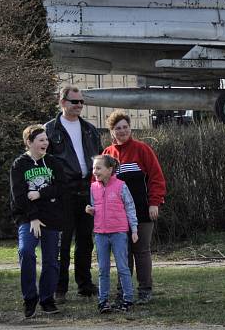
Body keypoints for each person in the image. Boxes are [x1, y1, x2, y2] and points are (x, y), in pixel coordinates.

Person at [45, 85, 102, 301]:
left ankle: (84, 285)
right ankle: (60, 288)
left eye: (81, 102)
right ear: (62, 102)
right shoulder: (49, 130)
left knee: (86, 240)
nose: (78, 106)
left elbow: (99, 159)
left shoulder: (89, 129)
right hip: (62, 192)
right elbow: (44, 162)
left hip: (87, 189)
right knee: (63, 240)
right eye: (74, 102)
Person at [103, 110, 166, 305]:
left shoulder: (142, 149)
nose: (122, 131)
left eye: (125, 127)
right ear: (112, 132)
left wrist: (154, 202)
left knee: (141, 250)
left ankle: (145, 289)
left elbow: (156, 178)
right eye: (117, 128)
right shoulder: (108, 154)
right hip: (117, 213)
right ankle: (124, 290)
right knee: (123, 251)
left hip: (142, 210)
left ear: (130, 128)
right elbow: (98, 182)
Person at [9, 124, 66, 318]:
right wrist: (32, 217)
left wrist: (41, 192)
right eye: (41, 140)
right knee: (26, 251)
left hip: (52, 217)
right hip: (28, 218)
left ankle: (47, 299)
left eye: (46, 139)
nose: (46, 143)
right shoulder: (19, 164)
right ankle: (30, 299)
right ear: (29, 142)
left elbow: (61, 187)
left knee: (51, 260)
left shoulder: (53, 163)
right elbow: (19, 195)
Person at [86, 154, 139, 314]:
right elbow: (94, 207)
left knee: (123, 267)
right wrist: (90, 210)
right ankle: (103, 301)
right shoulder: (93, 187)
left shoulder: (121, 186)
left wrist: (134, 229)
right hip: (100, 234)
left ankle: (128, 299)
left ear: (110, 169)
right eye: (94, 168)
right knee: (103, 269)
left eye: (98, 168)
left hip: (118, 233)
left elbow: (130, 207)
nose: (95, 171)